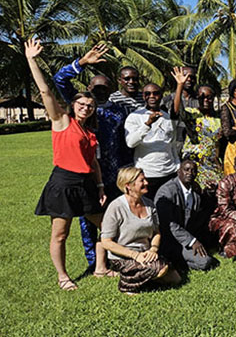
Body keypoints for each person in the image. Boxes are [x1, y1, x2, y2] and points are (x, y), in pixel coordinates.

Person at [27, 38, 110, 290]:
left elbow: (93, 163)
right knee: (61, 234)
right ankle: (63, 276)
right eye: (81, 104)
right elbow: (45, 91)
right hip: (63, 182)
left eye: (90, 106)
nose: (86, 108)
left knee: (107, 227)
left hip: (86, 183)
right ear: (73, 106)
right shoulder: (62, 121)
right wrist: (31, 59)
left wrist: (100, 186)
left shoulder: (91, 133)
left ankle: (101, 267)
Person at [52, 43, 130, 269]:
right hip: (86, 174)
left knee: (114, 218)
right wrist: (82, 63)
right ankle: (94, 262)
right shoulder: (82, 107)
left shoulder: (119, 110)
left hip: (114, 175)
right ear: (88, 89)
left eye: (105, 89)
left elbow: (125, 142)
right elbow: (59, 80)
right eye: (96, 89)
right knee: (87, 220)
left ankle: (114, 258)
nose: (100, 93)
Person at [101, 167, 182, 293]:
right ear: (128, 185)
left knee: (175, 278)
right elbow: (106, 242)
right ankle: (127, 285)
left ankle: (140, 278)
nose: (146, 183)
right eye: (142, 181)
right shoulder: (116, 207)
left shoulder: (149, 204)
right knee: (159, 270)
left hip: (145, 252)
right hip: (123, 256)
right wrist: (135, 255)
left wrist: (153, 249)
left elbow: (156, 232)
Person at [125, 69, 187, 200]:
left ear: (161, 95)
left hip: (170, 173)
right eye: (148, 94)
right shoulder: (135, 116)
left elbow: (171, 144)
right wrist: (148, 123)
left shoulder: (167, 117)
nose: (152, 96)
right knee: (149, 210)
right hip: (147, 174)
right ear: (143, 96)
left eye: (156, 93)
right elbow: (130, 143)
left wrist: (177, 165)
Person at [154, 160, 219, 271]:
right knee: (205, 262)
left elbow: (203, 210)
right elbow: (170, 225)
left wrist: (210, 193)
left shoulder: (194, 188)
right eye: (186, 170)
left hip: (190, 232)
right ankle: (174, 258)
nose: (189, 173)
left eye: (193, 171)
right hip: (171, 239)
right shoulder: (167, 192)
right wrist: (192, 241)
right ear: (179, 172)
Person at [180, 84, 222, 187]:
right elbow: (177, 111)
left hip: (212, 163)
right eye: (202, 97)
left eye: (209, 97)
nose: (206, 100)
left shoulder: (219, 118)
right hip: (194, 163)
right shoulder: (193, 114)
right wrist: (180, 85)